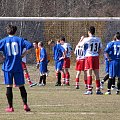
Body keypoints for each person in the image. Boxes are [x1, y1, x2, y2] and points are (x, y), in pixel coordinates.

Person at [0, 25, 32, 112]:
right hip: (17, 66)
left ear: (7, 31)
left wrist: (2, 57)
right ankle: (25, 105)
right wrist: (23, 54)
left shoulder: (3, 41)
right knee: (21, 86)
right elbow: (30, 46)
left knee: (9, 86)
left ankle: (10, 107)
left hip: (8, 66)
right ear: (15, 31)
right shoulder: (20, 39)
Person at [83, 26, 103, 95]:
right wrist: (97, 55)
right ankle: (98, 89)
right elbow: (100, 49)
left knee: (89, 73)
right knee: (97, 74)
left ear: (89, 32)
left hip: (89, 57)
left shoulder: (86, 39)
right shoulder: (98, 39)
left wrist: (81, 40)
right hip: (96, 57)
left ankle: (89, 89)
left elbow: (81, 46)